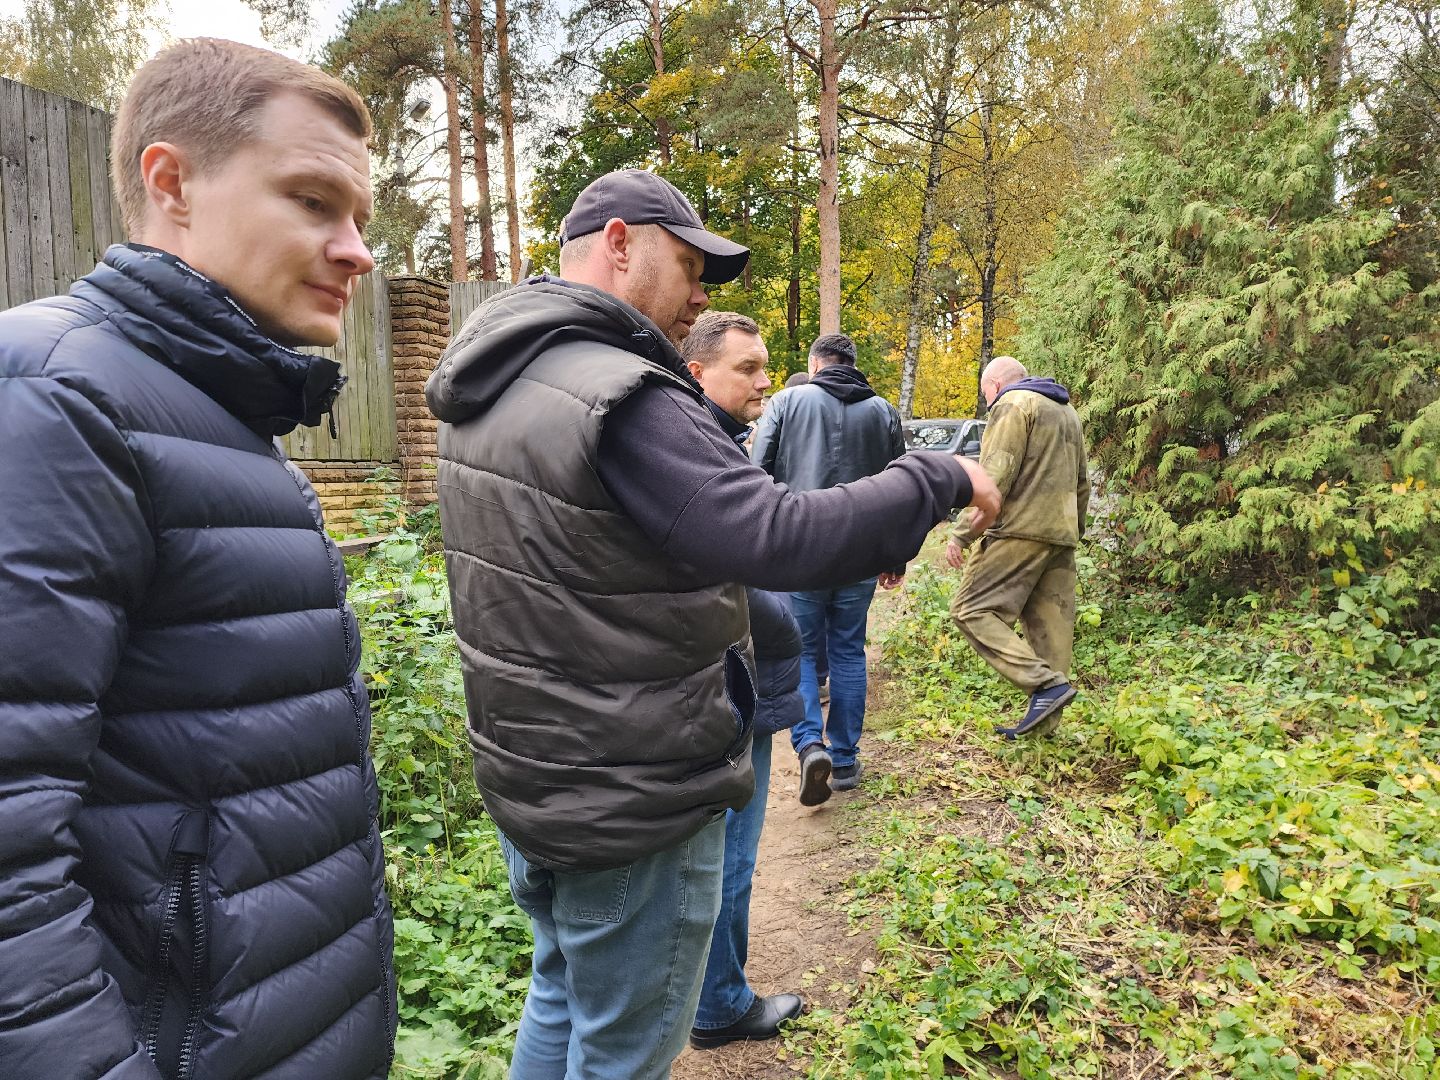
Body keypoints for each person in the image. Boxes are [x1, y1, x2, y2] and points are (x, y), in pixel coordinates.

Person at [425, 168, 999, 1079]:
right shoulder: (625, 395)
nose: (699, 295)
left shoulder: (491, 383)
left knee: (562, 995)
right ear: (619, 244)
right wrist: (939, 477)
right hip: (630, 793)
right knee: (623, 1049)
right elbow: (773, 533)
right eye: (689, 264)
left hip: (531, 772)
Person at [0, 39, 395, 1080]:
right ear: (169, 182)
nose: (357, 250)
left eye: (361, 218)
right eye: (314, 201)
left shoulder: (215, 414)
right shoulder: (60, 402)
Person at [680, 311, 806, 1048]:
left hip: (724, 678)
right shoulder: (703, 452)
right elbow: (748, 577)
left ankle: (711, 993)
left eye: (766, 366)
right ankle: (719, 1004)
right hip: (731, 684)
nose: (765, 381)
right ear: (699, 373)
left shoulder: (716, 440)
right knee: (730, 854)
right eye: (748, 368)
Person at [751, 333, 907, 799]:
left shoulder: (788, 401)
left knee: (798, 650)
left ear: (814, 364)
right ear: (852, 365)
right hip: (860, 555)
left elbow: (758, 474)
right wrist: (894, 553)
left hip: (801, 550)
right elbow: (902, 486)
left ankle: (808, 745)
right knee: (847, 651)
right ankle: (844, 760)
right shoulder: (882, 412)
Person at [947, 356, 1090, 738]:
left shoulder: (1013, 404)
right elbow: (1082, 483)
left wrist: (963, 532)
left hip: (1016, 531)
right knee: (1051, 635)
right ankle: (1044, 731)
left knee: (969, 609)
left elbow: (994, 475)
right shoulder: (1067, 412)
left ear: (994, 386)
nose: (988, 403)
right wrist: (1073, 527)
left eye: (985, 395)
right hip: (1061, 533)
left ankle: (1044, 685)